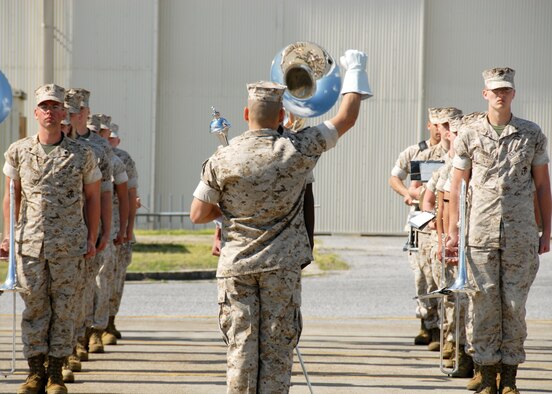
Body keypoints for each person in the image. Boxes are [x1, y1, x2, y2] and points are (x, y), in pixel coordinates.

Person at [190, 49, 371, 392]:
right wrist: (355, 70)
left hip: (236, 265)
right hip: (281, 265)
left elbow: (197, 213)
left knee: (241, 350)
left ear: (246, 114)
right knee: (276, 350)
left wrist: (229, 212)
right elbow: (346, 117)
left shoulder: (222, 157)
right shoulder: (298, 149)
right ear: (281, 116)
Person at [446, 67, 551, 394]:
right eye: (495, 90)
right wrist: (451, 231)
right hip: (479, 232)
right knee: (483, 301)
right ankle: (486, 371)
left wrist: (547, 231)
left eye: (506, 90)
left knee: (515, 305)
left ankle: (509, 376)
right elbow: (457, 186)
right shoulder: (470, 134)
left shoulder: (531, 133)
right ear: (485, 94)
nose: (501, 95)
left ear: (513, 94)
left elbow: (543, 184)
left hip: (520, 233)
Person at [1, 84, 101, 394]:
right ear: (35, 113)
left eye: (55, 107)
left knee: (65, 307)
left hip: (69, 244)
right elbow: (11, 197)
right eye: (44, 106)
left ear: (64, 114)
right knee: (34, 308)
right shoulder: (18, 151)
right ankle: (35, 373)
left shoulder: (83, 154)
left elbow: (93, 197)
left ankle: (56, 372)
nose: (49, 111)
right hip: (29, 244)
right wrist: (6, 236)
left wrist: (92, 237)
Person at [388, 108, 442, 346]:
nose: (440, 130)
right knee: (421, 276)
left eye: (445, 125)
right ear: (428, 126)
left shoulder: (455, 154)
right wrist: (407, 194)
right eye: (436, 125)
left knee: (439, 276)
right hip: (419, 221)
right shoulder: (416, 153)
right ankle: (426, 324)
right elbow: (394, 177)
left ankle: (442, 329)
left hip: (445, 219)